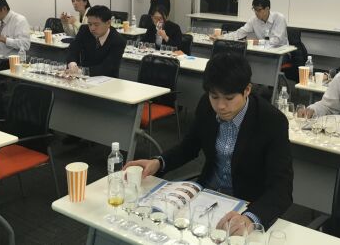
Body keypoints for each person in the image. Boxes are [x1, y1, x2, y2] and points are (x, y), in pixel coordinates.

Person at [124, 53, 293, 230]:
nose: (220, 106)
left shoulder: (271, 121)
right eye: (214, 96)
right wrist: (158, 162)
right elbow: (188, 147)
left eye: (229, 98)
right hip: (206, 195)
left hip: (246, 203)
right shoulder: (206, 105)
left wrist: (250, 218)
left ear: (247, 90)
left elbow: (282, 187)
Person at [66, 5, 126, 77]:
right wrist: (72, 64)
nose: (92, 28)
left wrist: (81, 71)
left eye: (96, 24)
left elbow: (107, 67)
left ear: (108, 23)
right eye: (90, 24)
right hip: (83, 77)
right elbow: (73, 49)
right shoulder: (84, 30)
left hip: (107, 79)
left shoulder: (118, 40)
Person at [221, 0, 288, 47]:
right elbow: (240, 32)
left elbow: (277, 41)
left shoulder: (279, 18)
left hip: (281, 51)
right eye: (254, 9)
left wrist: (257, 42)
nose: (256, 12)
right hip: (263, 50)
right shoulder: (254, 20)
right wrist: (221, 37)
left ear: (267, 9)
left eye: (258, 10)